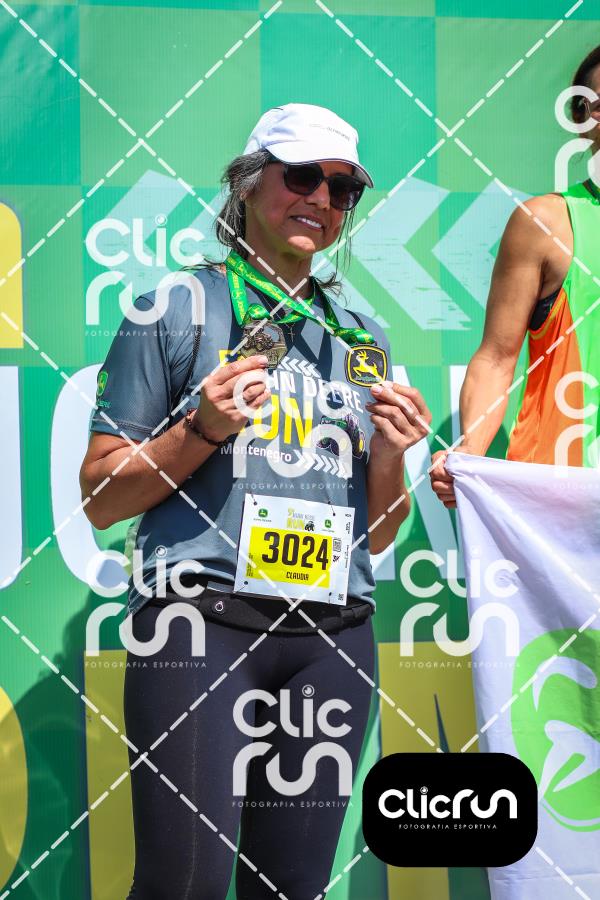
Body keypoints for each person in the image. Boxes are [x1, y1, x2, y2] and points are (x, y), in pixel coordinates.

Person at [80, 103, 431, 899]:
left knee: (291, 889)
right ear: (246, 182)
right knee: (185, 886)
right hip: (200, 625)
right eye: (301, 175)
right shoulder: (173, 306)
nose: (321, 199)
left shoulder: (362, 335)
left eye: (343, 188)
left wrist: (391, 457)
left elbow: (380, 533)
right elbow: (100, 497)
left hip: (332, 637)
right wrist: (200, 429)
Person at [430, 46, 600, 508]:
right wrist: (468, 453)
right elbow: (497, 357)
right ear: (582, 118)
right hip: (557, 501)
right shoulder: (547, 222)